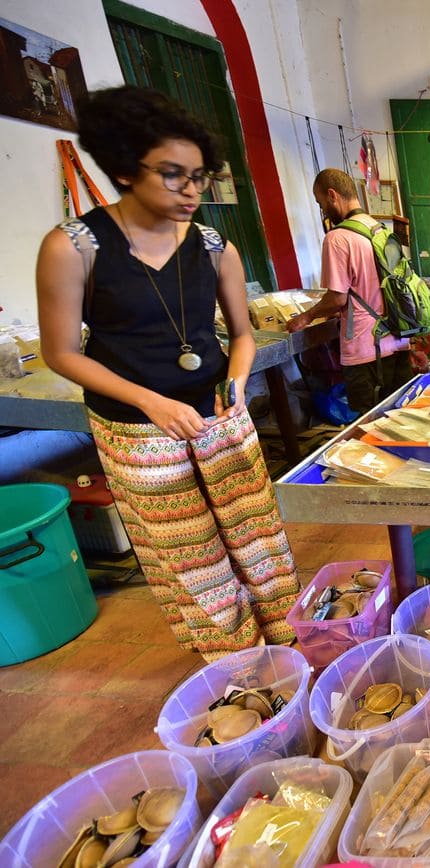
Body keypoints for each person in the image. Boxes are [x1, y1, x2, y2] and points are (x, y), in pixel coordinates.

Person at [35, 86, 300, 661]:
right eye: (173, 175)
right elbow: (63, 353)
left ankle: (290, 645)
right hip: (138, 429)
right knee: (190, 555)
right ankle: (241, 669)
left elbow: (243, 334)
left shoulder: (212, 247)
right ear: (127, 169)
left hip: (219, 413)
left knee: (258, 540)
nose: (191, 191)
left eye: (199, 176)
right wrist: (150, 402)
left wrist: (237, 379)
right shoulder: (73, 246)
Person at [287, 169, 411, 412]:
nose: (323, 210)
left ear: (332, 195)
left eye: (320, 202)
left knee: (370, 427)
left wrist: (307, 316)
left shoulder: (338, 238)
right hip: (397, 340)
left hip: (366, 350)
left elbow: (337, 298)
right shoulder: (381, 230)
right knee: (403, 419)